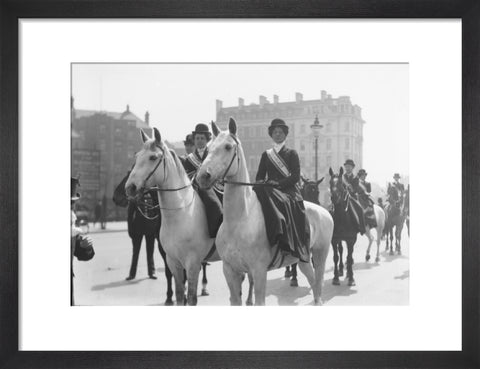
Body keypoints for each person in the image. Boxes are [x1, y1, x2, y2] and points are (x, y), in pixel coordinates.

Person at [253, 118, 310, 262]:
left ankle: (286, 241)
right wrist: (262, 183)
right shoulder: (266, 155)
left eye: (280, 132)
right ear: (271, 134)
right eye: (275, 132)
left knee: (283, 202)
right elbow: (260, 175)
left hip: (288, 190)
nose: (277, 134)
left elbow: (295, 176)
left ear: (285, 135)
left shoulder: (292, 153)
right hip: (269, 189)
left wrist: (278, 184)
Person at [182, 123, 223, 238]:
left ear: (207, 140)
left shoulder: (212, 154)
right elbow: (187, 176)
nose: (199, 141)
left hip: (214, 187)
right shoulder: (189, 159)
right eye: (197, 138)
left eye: (202, 138)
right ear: (194, 140)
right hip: (194, 189)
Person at [71, 177, 93, 306]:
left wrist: (85, 247)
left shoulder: (71, 226)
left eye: (73, 206)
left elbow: (81, 253)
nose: (73, 214)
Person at [341, 159, 367, 235]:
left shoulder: (355, 178)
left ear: (352, 168)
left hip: (352, 197)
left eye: (349, 167)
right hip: (343, 197)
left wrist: (350, 190)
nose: (347, 168)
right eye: (346, 166)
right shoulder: (342, 177)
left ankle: (362, 228)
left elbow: (355, 189)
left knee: (360, 209)